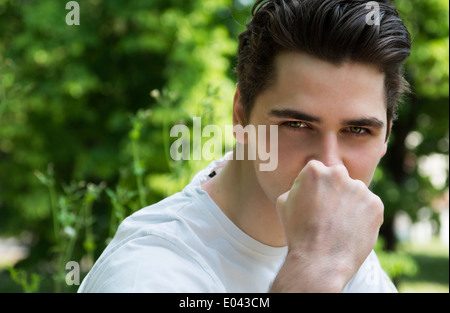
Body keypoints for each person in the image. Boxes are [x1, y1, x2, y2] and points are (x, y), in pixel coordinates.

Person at [78, 0, 411, 293]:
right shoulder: (147, 274)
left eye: (357, 130)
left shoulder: (342, 243)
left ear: (386, 136)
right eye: (296, 125)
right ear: (241, 115)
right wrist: (313, 274)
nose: (328, 165)